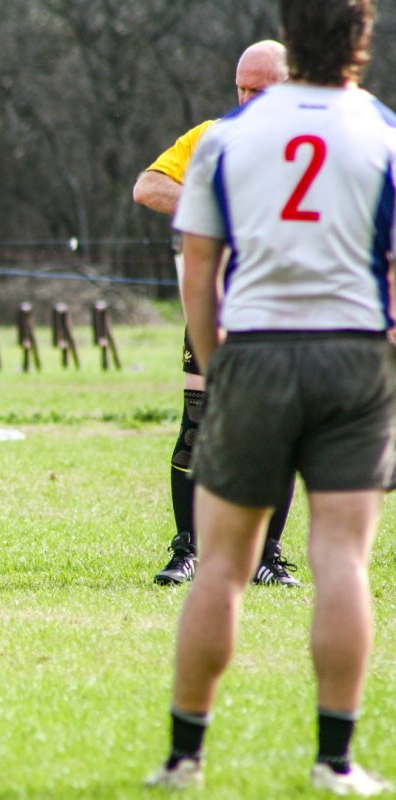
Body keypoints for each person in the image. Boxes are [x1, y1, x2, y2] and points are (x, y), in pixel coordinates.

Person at [147, 0, 395, 793]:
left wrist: (217, 363)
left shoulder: (228, 137)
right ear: (361, 42)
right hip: (355, 356)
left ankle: (186, 758)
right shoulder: (384, 132)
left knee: (219, 565)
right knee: (342, 562)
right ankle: (335, 761)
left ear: (288, 42)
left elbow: (197, 266)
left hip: (254, 350)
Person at [133, 40, 300, 587]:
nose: (247, 99)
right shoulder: (211, 136)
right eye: (241, 88)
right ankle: (190, 548)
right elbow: (149, 186)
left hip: (290, 308)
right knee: (198, 426)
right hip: (218, 305)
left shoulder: (313, 144)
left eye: (261, 90)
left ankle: (265, 556)